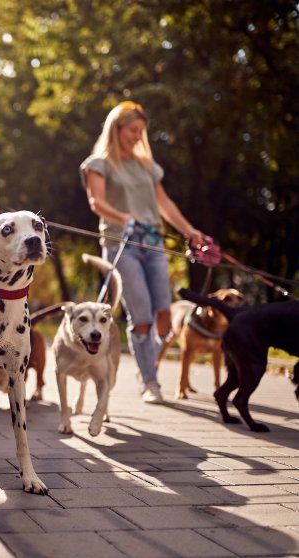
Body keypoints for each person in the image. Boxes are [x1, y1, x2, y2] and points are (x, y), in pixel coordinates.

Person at [80, 101, 205, 404]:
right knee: (143, 315)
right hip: (121, 245)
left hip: (153, 245)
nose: (137, 136)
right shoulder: (100, 163)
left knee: (164, 312)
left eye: (141, 132)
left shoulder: (146, 165)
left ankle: (146, 364)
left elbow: (165, 204)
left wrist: (189, 230)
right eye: (132, 130)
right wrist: (124, 218)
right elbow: (97, 203)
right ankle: (150, 380)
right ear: (117, 129)